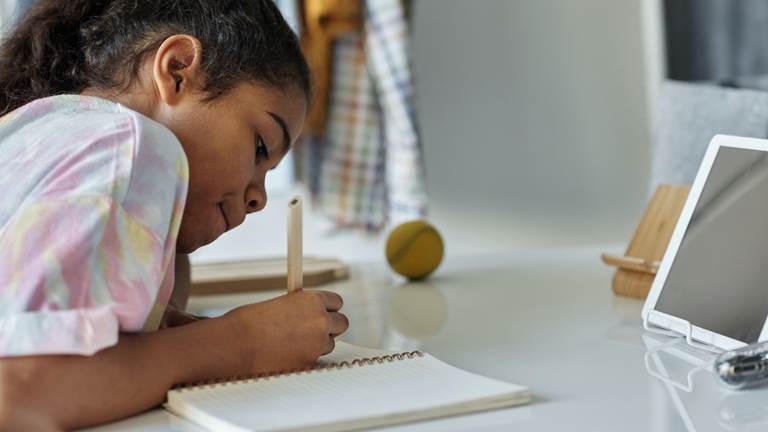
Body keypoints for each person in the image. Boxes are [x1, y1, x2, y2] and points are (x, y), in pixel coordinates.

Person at [0, 0, 349, 429]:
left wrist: (167, 323)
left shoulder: (42, 132)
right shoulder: (130, 143)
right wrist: (242, 342)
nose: (258, 198)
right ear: (178, 69)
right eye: (260, 147)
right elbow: (16, 393)